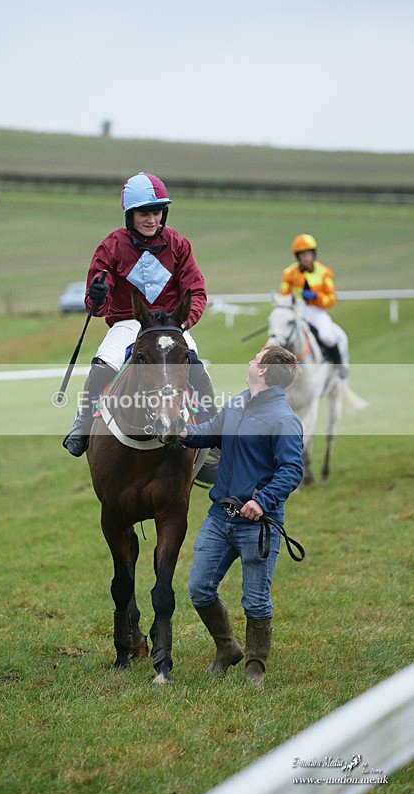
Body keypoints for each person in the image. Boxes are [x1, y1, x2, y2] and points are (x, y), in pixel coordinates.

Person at [63, 172, 214, 457]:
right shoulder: (111, 246)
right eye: (144, 213)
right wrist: (98, 296)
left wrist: (182, 323)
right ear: (130, 214)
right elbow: (97, 298)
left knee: (197, 368)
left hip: (170, 324)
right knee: (101, 367)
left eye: (157, 212)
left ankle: (213, 429)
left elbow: (196, 291)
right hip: (127, 322)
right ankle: (82, 423)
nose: (152, 220)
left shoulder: (178, 244)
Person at [179, 345, 304, 688]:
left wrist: (262, 501)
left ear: (263, 370)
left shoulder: (283, 419)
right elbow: (211, 430)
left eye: (255, 358)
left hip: (257, 525)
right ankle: (227, 649)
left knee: (255, 599)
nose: (250, 360)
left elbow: (292, 469)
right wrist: (183, 430)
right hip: (220, 518)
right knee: (200, 588)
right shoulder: (236, 403)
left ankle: (255, 667)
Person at [280, 233, 348, 377]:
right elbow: (283, 296)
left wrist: (316, 296)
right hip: (297, 312)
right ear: (297, 256)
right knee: (282, 337)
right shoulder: (289, 273)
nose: (306, 257)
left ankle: (339, 365)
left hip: (317, 311)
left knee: (327, 336)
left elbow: (331, 299)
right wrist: (294, 300)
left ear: (313, 254)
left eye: (309, 253)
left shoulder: (325, 272)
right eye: (302, 254)